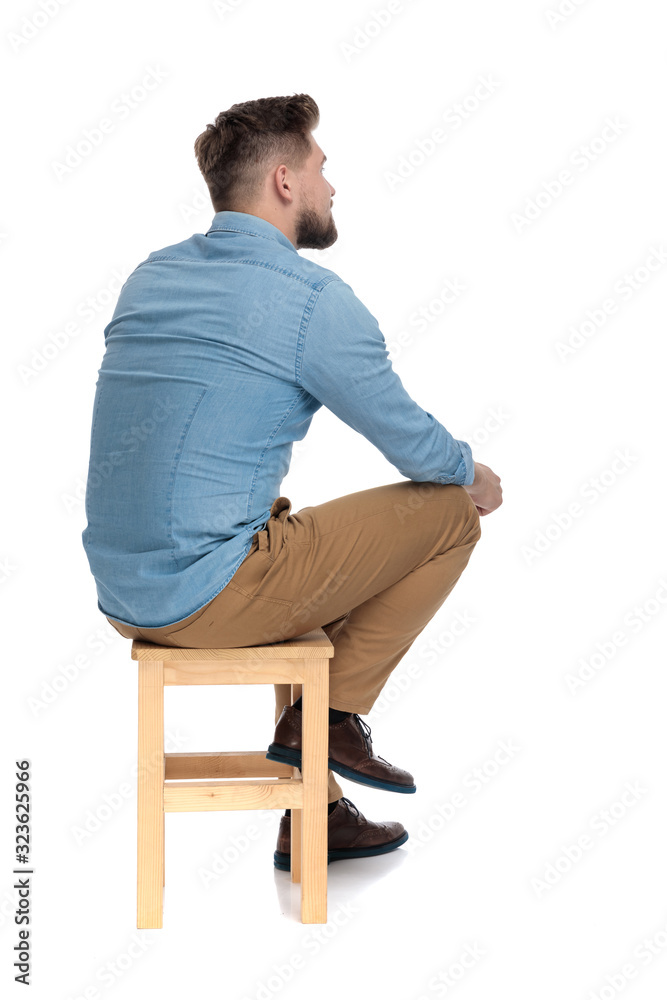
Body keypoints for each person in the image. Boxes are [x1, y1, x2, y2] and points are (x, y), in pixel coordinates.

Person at [81, 93, 502, 871]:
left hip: (122, 591)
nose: (330, 186)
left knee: (278, 524)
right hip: (209, 595)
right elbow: (409, 443)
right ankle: (328, 717)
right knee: (449, 512)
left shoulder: (150, 277)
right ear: (283, 180)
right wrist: (474, 474)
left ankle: (320, 810)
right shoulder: (311, 302)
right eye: (320, 168)